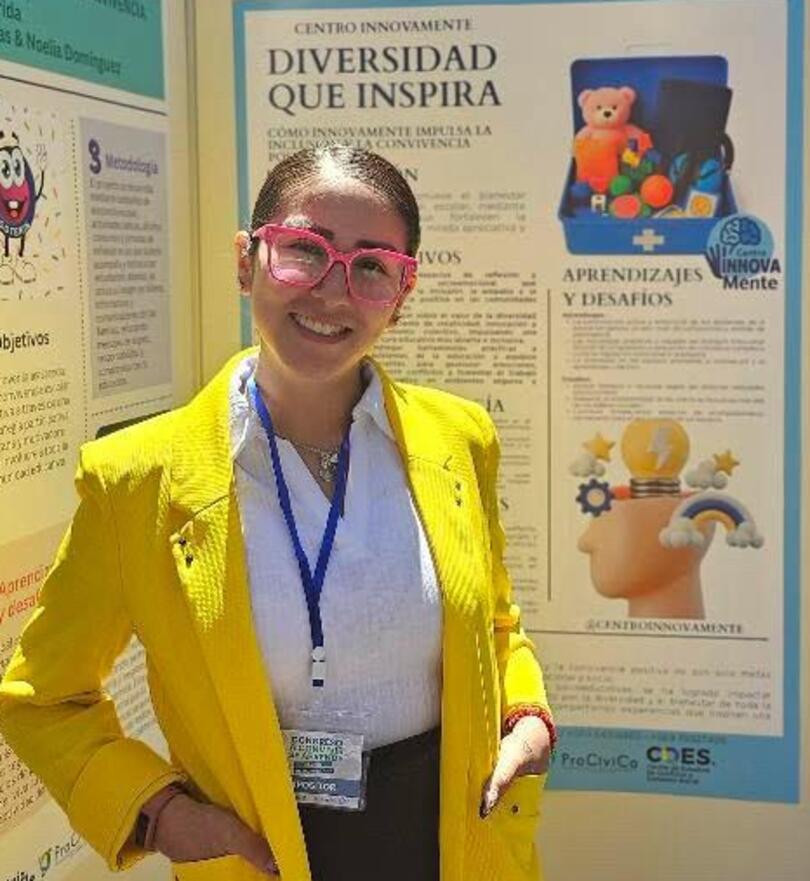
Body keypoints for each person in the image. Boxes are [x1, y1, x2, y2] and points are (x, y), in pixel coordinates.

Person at [0, 145, 554, 881]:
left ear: (401, 293)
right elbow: (44, 697)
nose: (332, 291)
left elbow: (495, 623)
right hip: (256, 852)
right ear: (245, 261)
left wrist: (526, 716)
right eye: (304, 251)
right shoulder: (136, 481)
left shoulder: (459, 438)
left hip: (454, 840)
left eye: (371, 266)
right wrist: (157, 811)